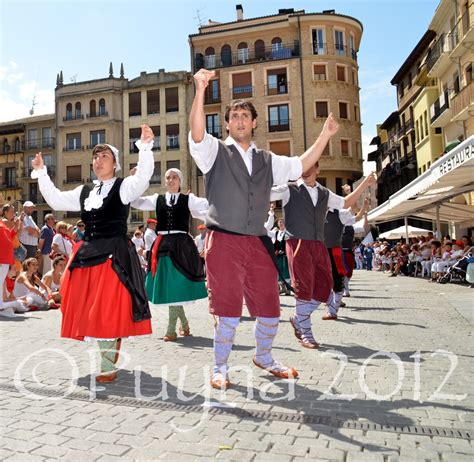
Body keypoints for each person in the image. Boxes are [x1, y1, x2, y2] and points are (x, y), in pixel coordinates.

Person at [189, 68, 340, 389]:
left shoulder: (269, 160)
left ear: (255, 122)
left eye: (246, 115)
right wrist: (201, 90)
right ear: (227, 123)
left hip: (256, 241)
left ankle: (265, 357)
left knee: (270, 306)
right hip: (223, 239)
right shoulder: (214, 150)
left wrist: (325, 135)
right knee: (228, 310)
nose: (240, 120)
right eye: (235, 116)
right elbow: (198, 132)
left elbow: (300, 163)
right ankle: (220, 367)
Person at [31, 125, 155, 383]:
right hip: (88, 253)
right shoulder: (84, 192)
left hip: (114, 255)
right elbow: (55, 200)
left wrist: (144, 148)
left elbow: (143, 177)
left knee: (107, 307)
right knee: (89, 307)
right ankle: (110, 347)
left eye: (104, 157)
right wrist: (42, 173)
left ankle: (107, 363)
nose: (98, 161)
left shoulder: (123, 187)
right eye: (95, 157)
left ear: (116, 164)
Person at [271, 165, 376, 343]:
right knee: (303, 287)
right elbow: (264, 193)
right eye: (303, 166)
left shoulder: (324, 193)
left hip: (319, 244)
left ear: (318, 170)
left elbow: (346, 203)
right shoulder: (289, 189)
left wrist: (365, 183)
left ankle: (298, 319)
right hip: (298, 242)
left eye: (310, 166)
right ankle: (306, 332)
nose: (305, 170)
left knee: (326, 286)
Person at [132, 168, 208, 341]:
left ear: (180, 181)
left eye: (174, 177)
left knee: (174, 288)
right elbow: (136, 201)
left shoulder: (188, 199)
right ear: (165, 181)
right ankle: (185, 325)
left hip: (181, 247)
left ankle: (171, 330)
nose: (171, 180)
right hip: (163, 246)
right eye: (168, 177)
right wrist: (136, 180)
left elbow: (209, 204)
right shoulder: (157, 199)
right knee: (170, 288)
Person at [0, 208, 17, 317]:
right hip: (2, 258)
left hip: (5, 259)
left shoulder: (2, 223)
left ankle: (1, 305)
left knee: (0, 282)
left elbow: (8, 238)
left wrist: (17, 226)